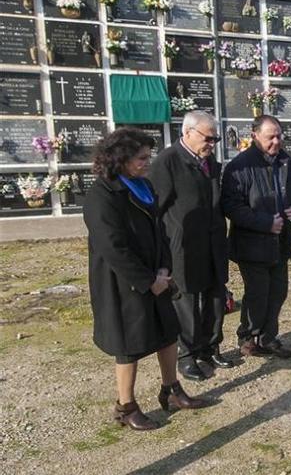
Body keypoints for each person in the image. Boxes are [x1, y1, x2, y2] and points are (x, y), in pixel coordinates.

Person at [83, 128, 207, 431]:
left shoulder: (143, 186)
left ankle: (171, 390)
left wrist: (164, 270)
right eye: (141, 158)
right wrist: (147, 280)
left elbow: (159, 230)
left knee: (167, 333)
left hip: (157, 276)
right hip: (124, 284)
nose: (147, 162)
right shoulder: (102, 195)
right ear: (119, 159)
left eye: (148, 156)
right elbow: (112, 247)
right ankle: (126, 406)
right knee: (129, 344)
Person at [150, 111, 232, 381]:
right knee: (186, 302)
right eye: (208, 138)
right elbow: (157, 210)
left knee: (215, 297)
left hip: (213, 243)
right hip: (183, 246)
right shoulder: (167, 162)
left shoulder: (209, 162)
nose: (212, 144)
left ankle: (210, 347)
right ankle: (187, 355)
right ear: (187, 133)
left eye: (215, 139)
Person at [221, 115, 291, 359]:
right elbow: (231, 206)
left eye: (279, 135)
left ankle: (268, 337)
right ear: (255, 135)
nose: (276, 141)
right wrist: (265, 223)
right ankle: (248, 337)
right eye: (271, 136)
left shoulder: (285, 161)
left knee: (278, 292)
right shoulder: (239, 166)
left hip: (280, 243)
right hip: (252, 245)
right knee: (258, 294)